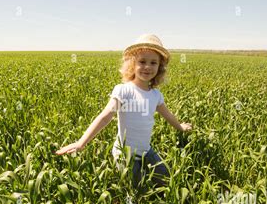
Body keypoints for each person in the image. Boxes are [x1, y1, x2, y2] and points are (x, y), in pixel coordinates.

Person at [55, 34, 192, 190]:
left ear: (159, 67)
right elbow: (105, 116)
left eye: (153, 62)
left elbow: (168, 115)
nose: (147, 66)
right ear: (132, 64)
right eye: (142, 62)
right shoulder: (124, 91)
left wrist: (180, 127)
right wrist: (81, 142)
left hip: (146, 151)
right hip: (125, 155)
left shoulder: (155, 95)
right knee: (138, 189)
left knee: (167, 181)